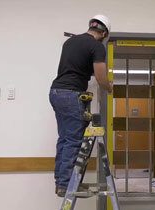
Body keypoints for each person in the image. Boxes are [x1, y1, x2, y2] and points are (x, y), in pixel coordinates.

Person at [49, 15, 113, 197]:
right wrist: (109, 87)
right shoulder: (96, 46)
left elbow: (78, 66)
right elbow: (101, 78)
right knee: (74, 140)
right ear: (104, 33)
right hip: (71, 95)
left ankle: (61, 182)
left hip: (56, 92)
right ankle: (66, 185)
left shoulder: (70, 42)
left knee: (65, 139)